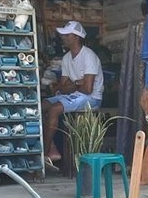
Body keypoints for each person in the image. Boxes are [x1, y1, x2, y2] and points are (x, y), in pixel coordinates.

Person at [42, 20, 104, 168]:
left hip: (92, 98)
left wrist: (72, 85)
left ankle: (45, 152)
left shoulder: (88, 56)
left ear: (77, 37)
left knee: (54, 109)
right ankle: (52, 148)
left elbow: (88, 89)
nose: (63, 37)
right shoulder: (66, 58)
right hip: (75, 95)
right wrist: (76, 84)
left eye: (67, 35)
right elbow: (62, 87)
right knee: (41, 106)